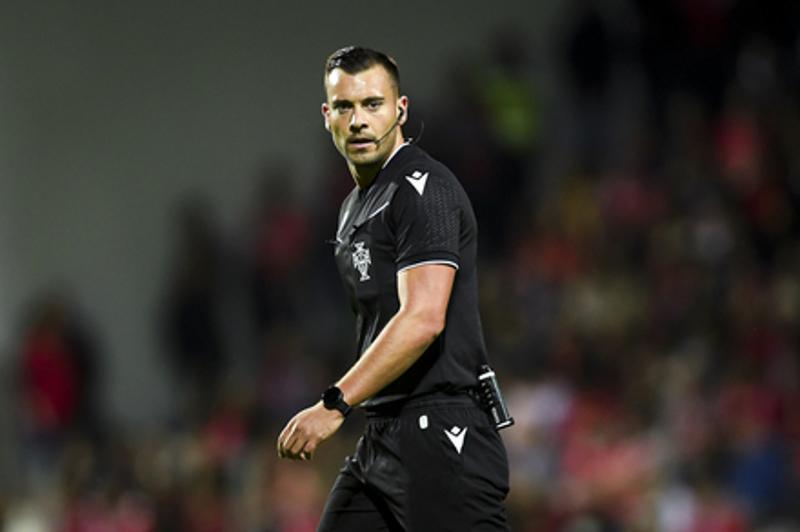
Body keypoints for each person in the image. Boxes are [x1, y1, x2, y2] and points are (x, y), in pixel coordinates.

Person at [277, 46, 510, 531]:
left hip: (443, 432)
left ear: (400, 110)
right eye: (345, 107)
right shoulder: (354, 207)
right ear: (327, 117)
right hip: (383, 434)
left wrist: (335, 403)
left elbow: (423, 318)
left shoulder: (423, 189)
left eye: (372, 104)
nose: (358, 120)